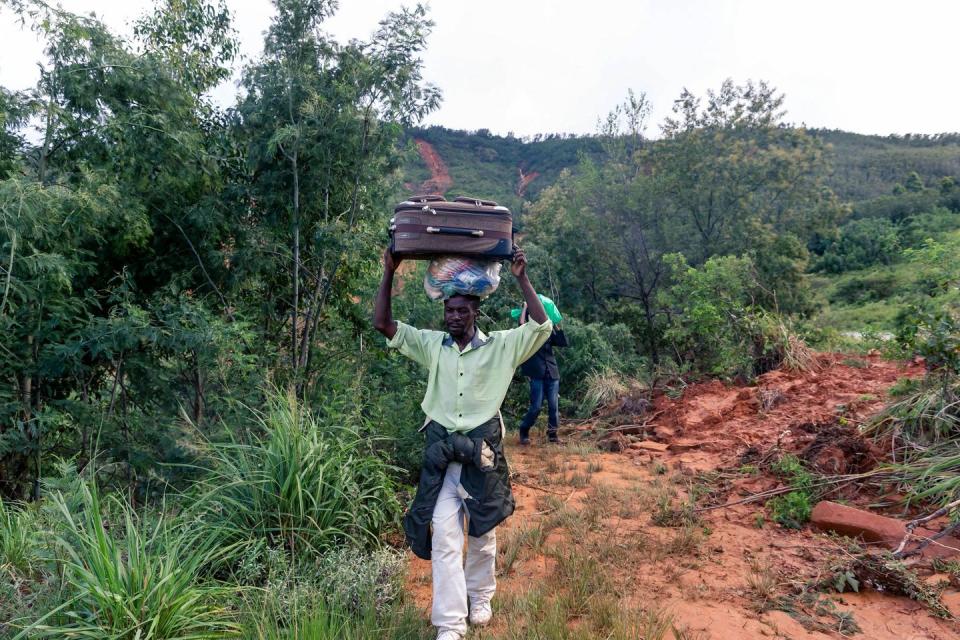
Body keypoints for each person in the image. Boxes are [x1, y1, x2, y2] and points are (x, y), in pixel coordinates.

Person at [373, 245, 552, 640]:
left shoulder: (501, 347)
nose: (454, 317)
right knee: (445, 541)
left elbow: (541, 328)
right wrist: (389, 271)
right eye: (449, 310)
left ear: (475, 312)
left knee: (482, 533)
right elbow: (383, 324)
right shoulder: (432, 345)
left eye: (462, 311)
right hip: (441, 460)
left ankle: (480, 596)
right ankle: (450, 625)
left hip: (481, 455)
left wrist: (522, 278)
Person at [517, 305, 568, 445]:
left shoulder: (547, 329)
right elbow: (521, 326)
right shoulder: (528, 331)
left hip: (551, 372)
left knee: (553, 406)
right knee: (536, 407)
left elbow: (563, 342)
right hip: (536, 373)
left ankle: (552, 435)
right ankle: (524, 430)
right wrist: (526, 307)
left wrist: (555, 322)